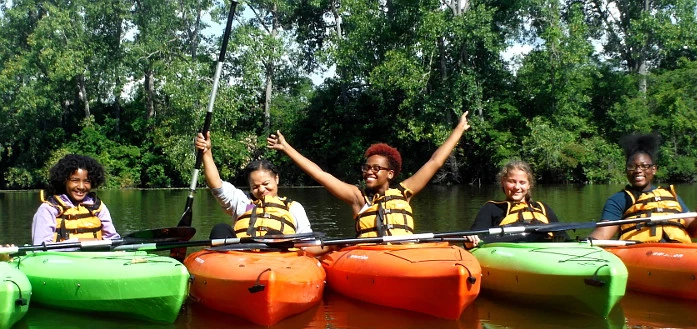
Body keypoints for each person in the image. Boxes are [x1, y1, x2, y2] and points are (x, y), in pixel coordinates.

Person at [266, 112, 470, 238]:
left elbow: (435, 161)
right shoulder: (358, 198)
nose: (369, 172)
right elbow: (320, 174)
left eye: (375, 169)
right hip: (373, 257)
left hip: (406, 255)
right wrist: (287, 148)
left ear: (390, 174)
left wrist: (459, 129)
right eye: (366, 167)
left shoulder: (404, 192)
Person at [587, 133, 697, 242]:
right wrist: (586, 243)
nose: (638, 171)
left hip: (680, 251)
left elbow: (694, 232)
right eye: (632, 167)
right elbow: (602, 235)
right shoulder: (619, 200)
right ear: (626, 170)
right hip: (641, 252)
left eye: (644, 166)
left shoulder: (671, 195)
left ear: (654, 169)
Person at [194, 132, 313, 240]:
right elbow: (216, 186)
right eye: (255, 186)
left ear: (276, 179)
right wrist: (206, 153)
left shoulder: (293, 207)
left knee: (274, 235)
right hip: (240, 255)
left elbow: (308, 242)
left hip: (278, 255)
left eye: (266, 184)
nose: (261, 190)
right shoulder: (242, 201)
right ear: (249, 186)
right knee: (220, 229)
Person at [464, 160, 565, 248]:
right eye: (512, 181)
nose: (517, 187)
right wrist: (470, 241)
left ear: (529, 185)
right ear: (503, 182)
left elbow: (563, 237)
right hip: (510, 251)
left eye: (522, 182)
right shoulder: (492, 208)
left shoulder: (542, 208)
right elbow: (475, 238)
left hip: (544, 249)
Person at [31, 154, 120, 245]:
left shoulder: (97, 206)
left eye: (87, 181)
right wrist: (79, 242)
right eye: (75, 180)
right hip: (60, 257)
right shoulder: (48, 209)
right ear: (64, 180)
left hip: (95, 256)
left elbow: (112, 238)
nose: (81, 187)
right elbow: (41, 246)